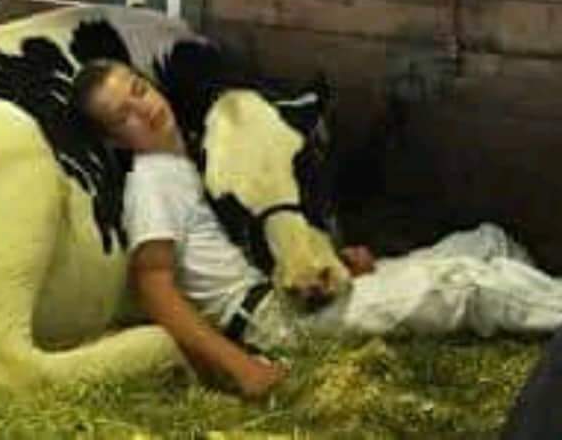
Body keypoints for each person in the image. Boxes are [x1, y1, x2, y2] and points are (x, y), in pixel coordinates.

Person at [71, 59, 562, 397]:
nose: (144, 109)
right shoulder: (152, 183)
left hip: (299, 291)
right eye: (124, 116)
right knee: (467, 283)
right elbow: (154, 288)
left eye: (139, 90)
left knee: (486, 241)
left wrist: (337, 263)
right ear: (115, 139)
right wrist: (241, 368)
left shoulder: (205, 150)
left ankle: (541, 329)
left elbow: (270, 238)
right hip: (274, 322)